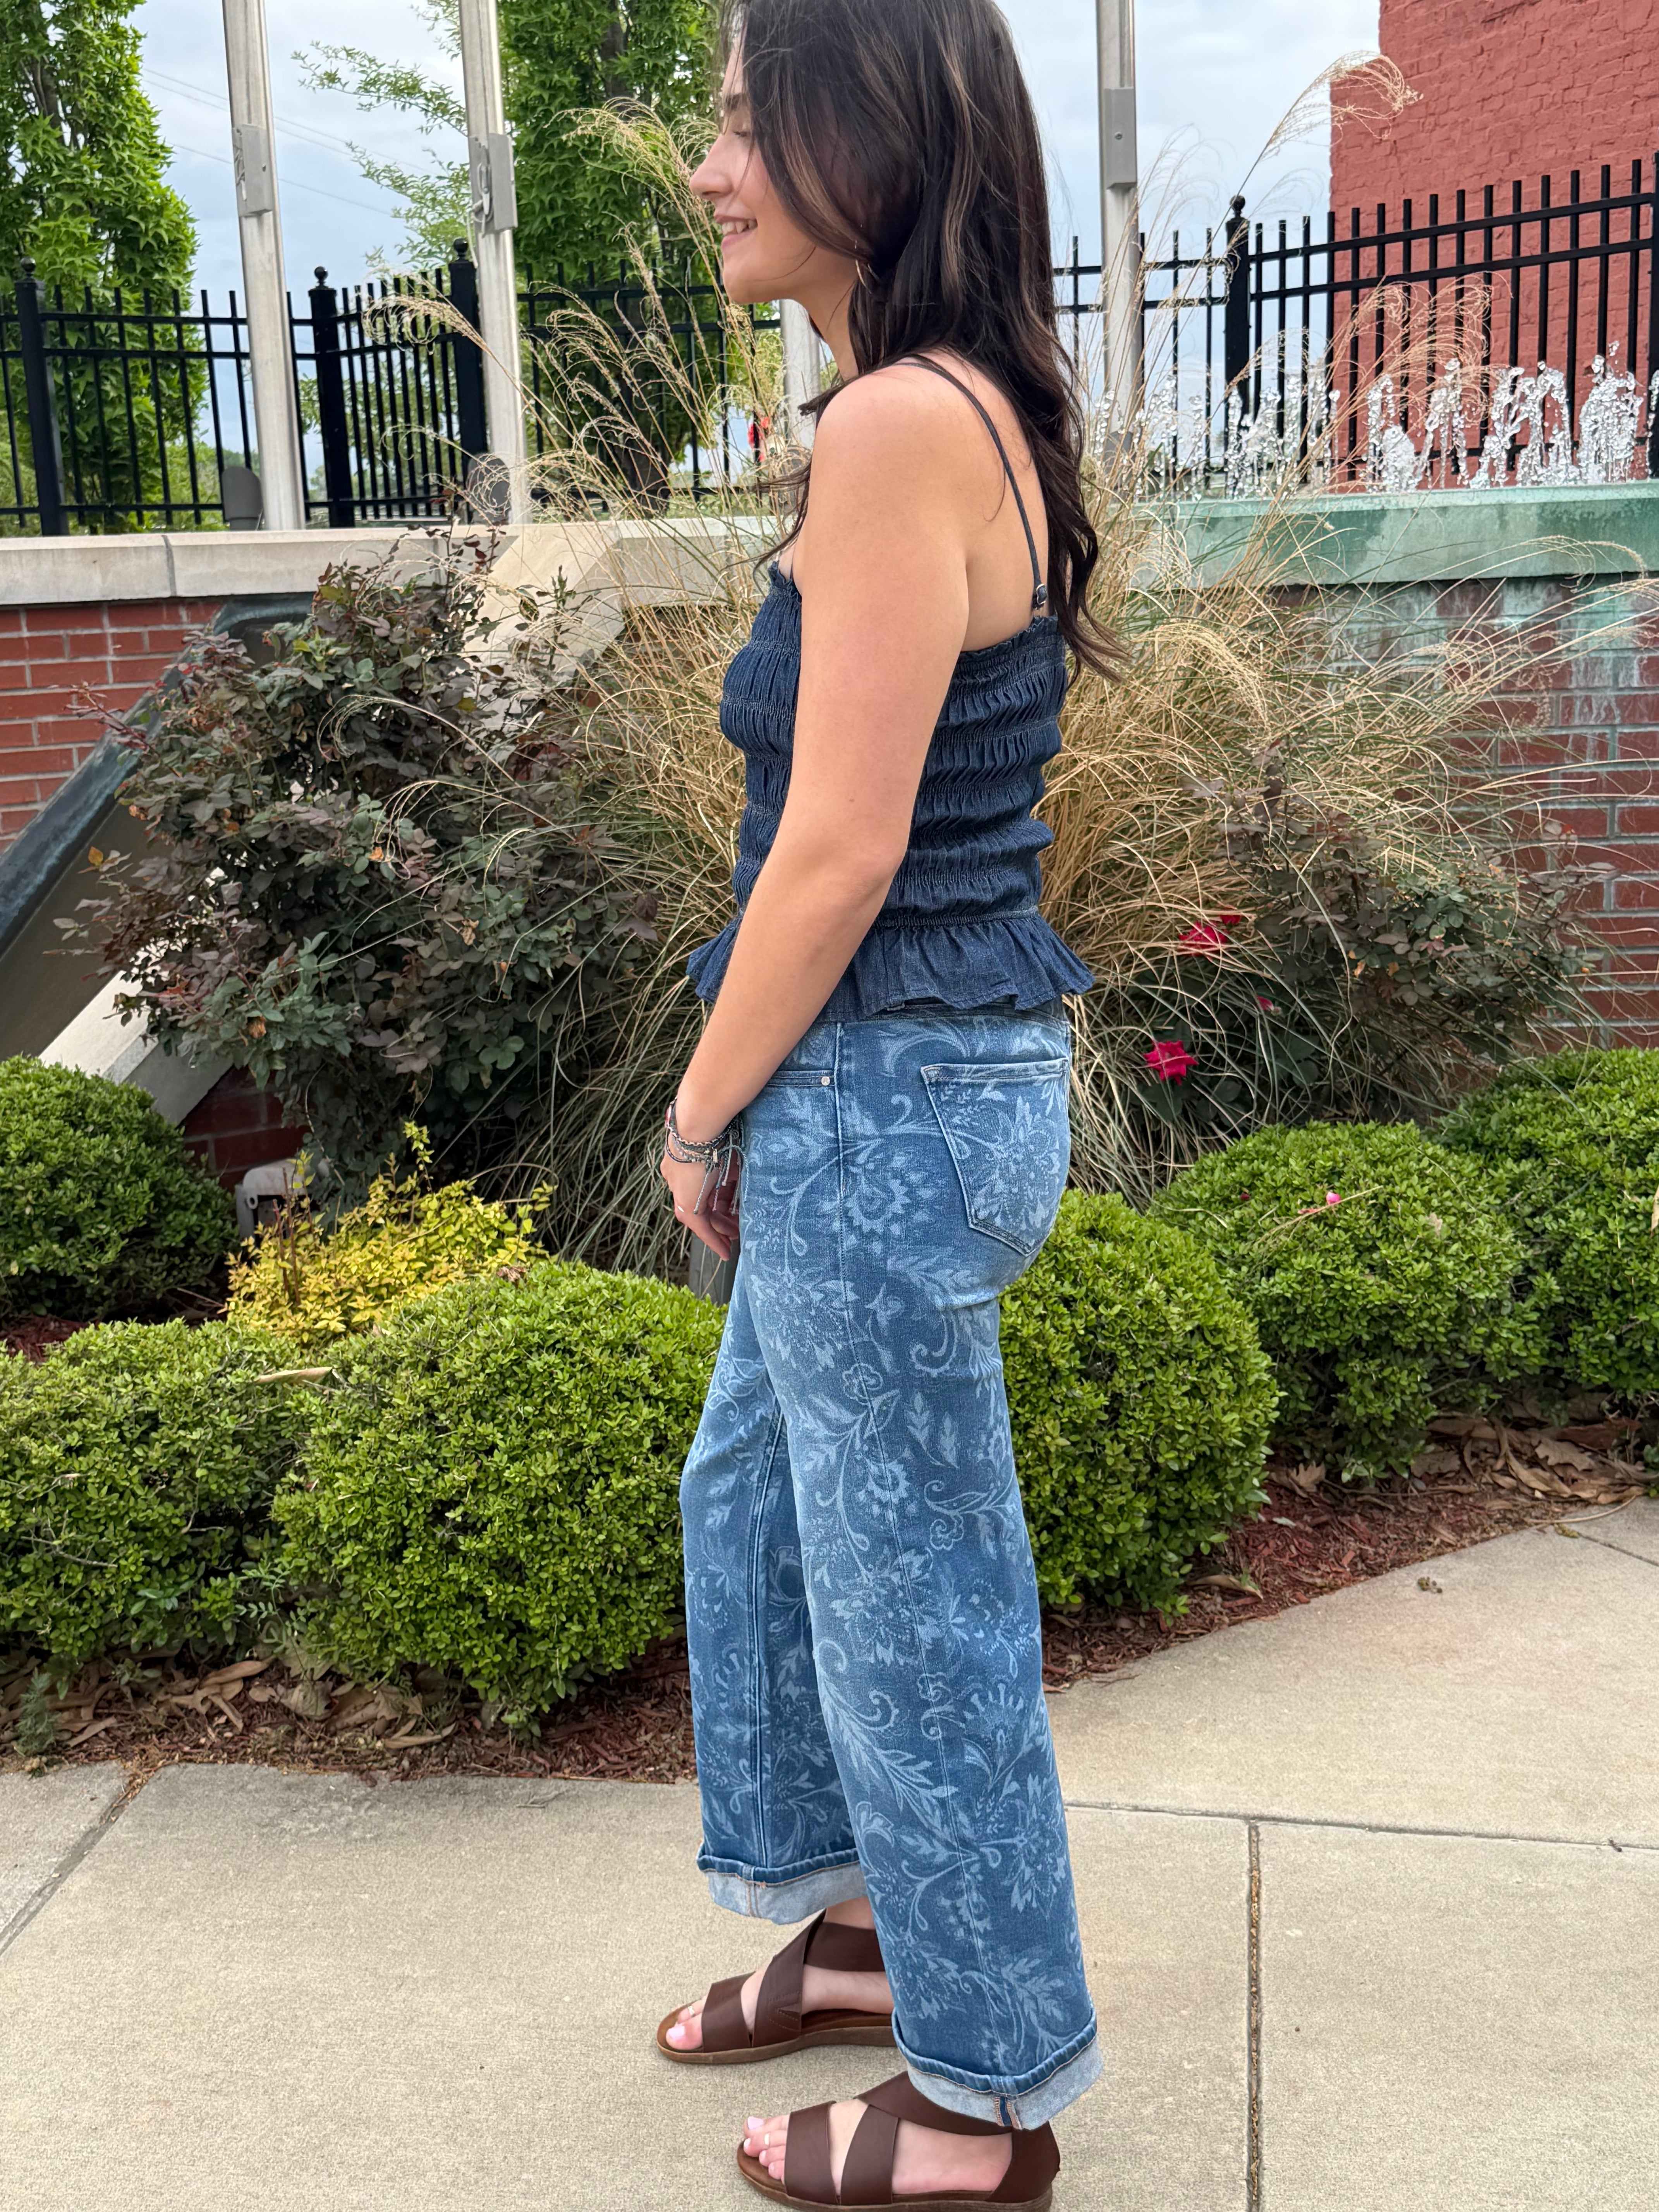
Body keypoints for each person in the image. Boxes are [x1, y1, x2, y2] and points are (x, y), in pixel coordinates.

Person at [655, 2, 1116, 2203]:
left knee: (915, 1605)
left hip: (877, 1099)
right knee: (751, 1511)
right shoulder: (952, 405)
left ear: (876, 129)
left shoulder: (898, 429)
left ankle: (983, 2098)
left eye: (751, 118)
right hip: (913, 1088)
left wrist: (696, 1113)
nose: (712, 162)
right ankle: (858, 1933)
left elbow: (834, 855)